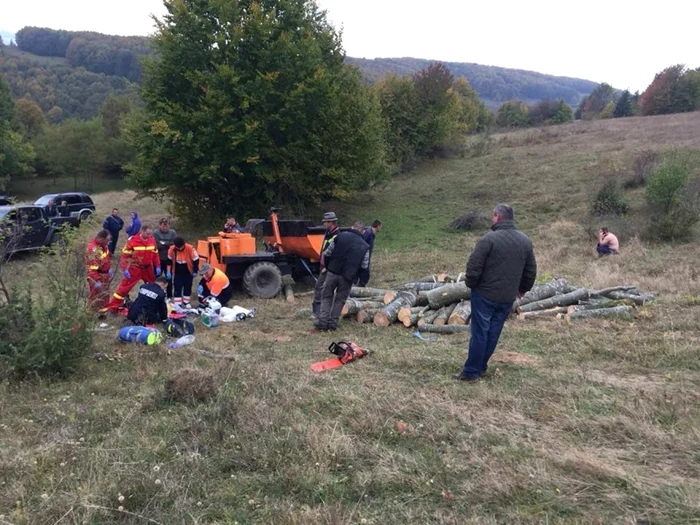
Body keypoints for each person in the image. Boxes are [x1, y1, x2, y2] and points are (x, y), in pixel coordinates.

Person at [454, 204, 537, 382]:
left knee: (480, 333)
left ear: (497, 216)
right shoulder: (525, 241)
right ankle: (481, 366)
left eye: (493, 216)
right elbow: (531, 271)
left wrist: (471, 284)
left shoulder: (488, 239)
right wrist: (523, 289)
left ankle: (470, 373)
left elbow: (473, 266)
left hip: (485, 295)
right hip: (507, 297)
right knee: (493, 332)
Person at [316, 221, 370, 331]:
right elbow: (365, 266)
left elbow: (327, 253)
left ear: (352, 227)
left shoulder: (339, 237)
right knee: (340, 300)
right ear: (363, 231)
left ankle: (322, 322)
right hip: (348, 277)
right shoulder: (365, 246)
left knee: (326, 296)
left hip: (332, 272)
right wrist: (362, 280)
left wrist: (327, 266)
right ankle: (332, 323)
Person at [105, 224, 161, 312]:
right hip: (135, 268)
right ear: (142, 231)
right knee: (124, 288)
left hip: (148, 269)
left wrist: (157, 266)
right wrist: (125, 269)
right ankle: (114, 306)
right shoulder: (133, 241)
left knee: (152, 287)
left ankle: (154, 305)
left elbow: (155, 254)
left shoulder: (152, 240)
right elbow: (125, 256)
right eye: (147, 234)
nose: (148, 236)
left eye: (150, 234)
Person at [312, 212, 340, 317]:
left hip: (329, 268)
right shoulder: (328, 233)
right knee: (320, 288)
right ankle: (318, 311)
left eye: (325, 222)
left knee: (321, 288)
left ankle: (319, 312)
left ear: (331, 222)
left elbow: (335, 254)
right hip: (324, 266)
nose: (324, 224)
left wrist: (326, 267)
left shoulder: (337, 235)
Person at [168, 236, 199, 309]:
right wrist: (168, 271)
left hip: (188, 270)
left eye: (181, 247)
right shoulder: (172, 249)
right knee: (177, 287)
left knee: (187, 287)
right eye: (178, 247)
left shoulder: (190, 248)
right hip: (177, 271)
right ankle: (177, 303)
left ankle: (186, 302)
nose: (180, 249)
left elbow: (196, 260)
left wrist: (195, 270)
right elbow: (169, 261)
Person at [86, 229, 113, 309]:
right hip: (97, 276)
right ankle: (91, 314)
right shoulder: (93, 249)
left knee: (105, 296)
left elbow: (106, 258)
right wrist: (96, 281)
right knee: (95, 297)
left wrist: (109, 269)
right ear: (101, 239)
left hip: (105, 275)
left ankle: (102, 313)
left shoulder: (104, 246)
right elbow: (91, 268)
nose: (109, 242)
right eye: (107, 240)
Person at [153, 218, 177, 297]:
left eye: (166, 226)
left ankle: (169, 296)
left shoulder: (173, 233)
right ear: (160, 225)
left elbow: (174, 245)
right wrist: (167, 244)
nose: (165, 228)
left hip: (169, 260)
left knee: (169, 279)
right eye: (163, 226)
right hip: (158, 259)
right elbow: (156, 245)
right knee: (157, 278)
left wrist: (164, 244)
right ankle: (156, 294)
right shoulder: (155, 233)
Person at [358, 219, 382, 287]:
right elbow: (362, 242)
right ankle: (361, 285)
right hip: (363, 255)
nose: (380, 228)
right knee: (364, 270)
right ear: (377, 226)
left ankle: (362, 284)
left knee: (365, 270)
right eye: (380, 226)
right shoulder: (368, 233)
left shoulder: (371, 234)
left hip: (367, 255)